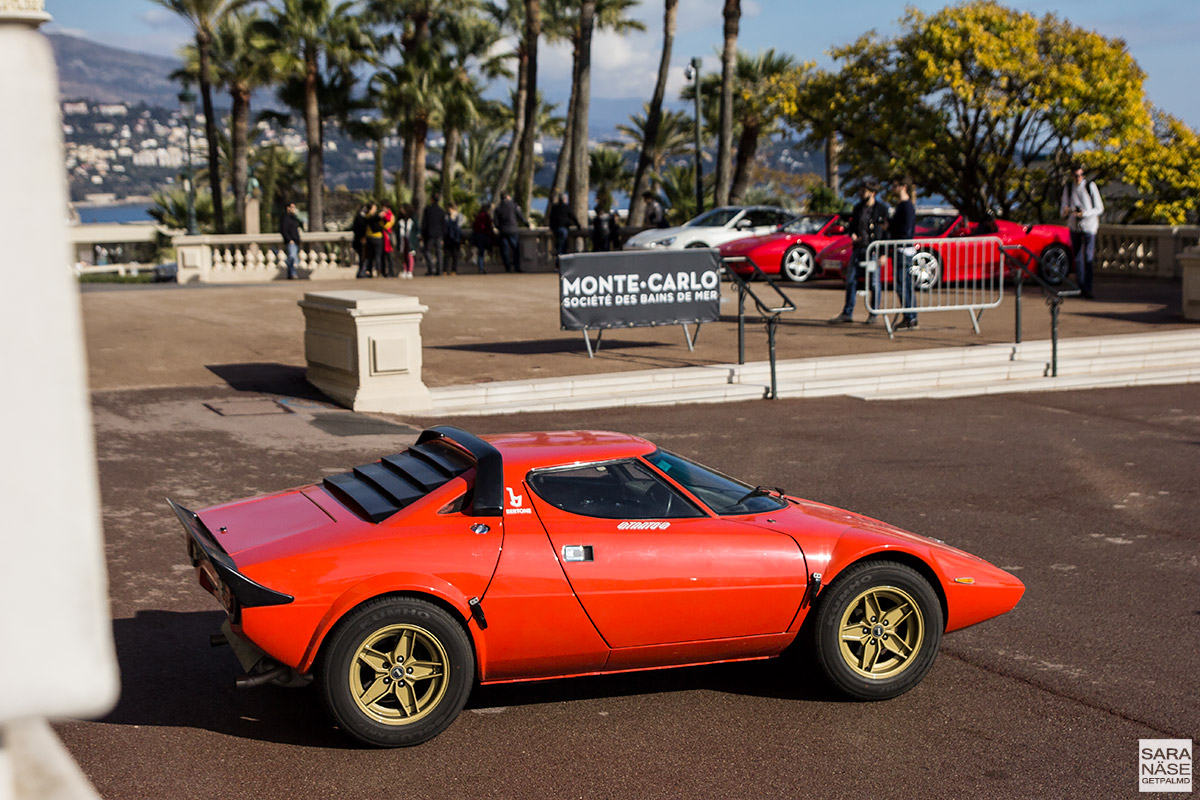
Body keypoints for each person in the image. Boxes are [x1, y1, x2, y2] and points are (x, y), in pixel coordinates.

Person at [829, 181, 888, 324]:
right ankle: (847, 313)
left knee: (874, 283)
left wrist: (884, 253)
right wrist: (853, 235)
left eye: (865, 191)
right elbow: (852, 226)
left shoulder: (881, 209)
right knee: (851, 280)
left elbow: (886, 231)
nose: (862, 194)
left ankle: (873, 313)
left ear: (873, 193)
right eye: (860, 191)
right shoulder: (858, 208)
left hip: (874, 250)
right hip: (859, 249)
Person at [1060, 163, 1103, 299]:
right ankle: (1080, 287)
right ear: (1072, 175)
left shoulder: (1090, 186)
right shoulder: (1068, 188)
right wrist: (1068, 212)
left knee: (1088, 257)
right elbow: (1063, 209)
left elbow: (1099, 208)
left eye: (1080, 175)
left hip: (1089, 226)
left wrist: (1084, 214)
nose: (1078, 178)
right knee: (1078, 258)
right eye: (1076, 175)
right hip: (1074, 226)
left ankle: (1088, 287)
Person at [889, 179, 918, 330]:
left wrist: (893, 232)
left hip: (903, 250)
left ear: (903, 187)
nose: (892, 189)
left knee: (903, 284)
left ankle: (910, 317)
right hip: (901, 249)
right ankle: (910, 317)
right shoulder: (903, 206)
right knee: (904, 284)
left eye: (895, 186)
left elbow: (906, 230)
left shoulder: (906, 206)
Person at [494, 192, 528, 272]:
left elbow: (496, 222)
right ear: (508, 197)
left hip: (503, 231)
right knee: (516, 249)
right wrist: (527, 224)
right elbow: (520, 217)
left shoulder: (498, 208)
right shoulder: (513, 205)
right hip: (513, 230)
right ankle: (517, 267)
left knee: (505, 250)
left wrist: (500, 228)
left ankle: (507, 268)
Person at [547, 192, 580, 263]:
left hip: (556, 229)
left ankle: (558, 260)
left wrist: (551, 227)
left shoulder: (554, 207)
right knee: (562, 246)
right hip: (563, 228)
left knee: (558, 245)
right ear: (565, 199)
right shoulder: (566, 207)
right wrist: (578, 226)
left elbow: (551, 218)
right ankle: (562, 261)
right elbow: (573, 217)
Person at [421, 192, 447, 275]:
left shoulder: (428, 210)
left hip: (429, 235)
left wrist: (423, 234)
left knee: (427, 251)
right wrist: (443, 236)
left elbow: (424, 223)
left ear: (431, 200)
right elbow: (444, 225)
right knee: (439, 252)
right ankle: (439, 270)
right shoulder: (441, 211)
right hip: (439, 235)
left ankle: (431, 268)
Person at [281, 202, 303, 279]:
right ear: (288, 208)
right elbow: (284, 230)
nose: (294, 209)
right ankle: (292, 273)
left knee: (293, 258)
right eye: (292, 207)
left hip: (296, 241)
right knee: (292, 257)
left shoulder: (294, 218)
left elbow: (300, 225)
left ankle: (291, 273)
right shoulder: (285, 218)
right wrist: (289, 239)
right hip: (291, 242)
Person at [471, 202, 494, 273]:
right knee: (483, 252)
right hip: (484, 236)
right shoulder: (486, 216)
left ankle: (481, 268)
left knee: (480, 253)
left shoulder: (478, 216)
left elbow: (474, 226)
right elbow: (489, 227)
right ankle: (482, 268)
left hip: (478, 236)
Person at [444, 202, 464, 275]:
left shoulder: (459, 216)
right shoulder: (446, 216)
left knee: (455, 255)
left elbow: (459, 226)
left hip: (456, 239)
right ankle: (445, 270)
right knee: (447, 255)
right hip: (448, 238)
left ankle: (454, 270)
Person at [395, 204, 415, 279]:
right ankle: (405, 269)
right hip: (402, 240)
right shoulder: (400, 220)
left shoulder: (412, 219)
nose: (401, 210)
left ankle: (410, 270)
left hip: (410, 240)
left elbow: (416, 230)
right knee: (404, 255)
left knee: (410, 254)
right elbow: (397, 230)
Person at [378, 204, 396, 277]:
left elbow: (389, 222)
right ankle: (384, 272)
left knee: (389, 257)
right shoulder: (382, 215)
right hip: (383, 238)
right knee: (383, 257)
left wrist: (384, 215)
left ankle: (391, 272)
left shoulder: (390, 215)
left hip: (388, 238)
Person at [351, 203, 369, 272]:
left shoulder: (358, 217)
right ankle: (361, 271)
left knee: (362, 256)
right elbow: (360, 229)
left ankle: (362, 270)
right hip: (360, 240)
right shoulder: (360, 217)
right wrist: (363, 237)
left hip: (358, 240)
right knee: (362, 256)